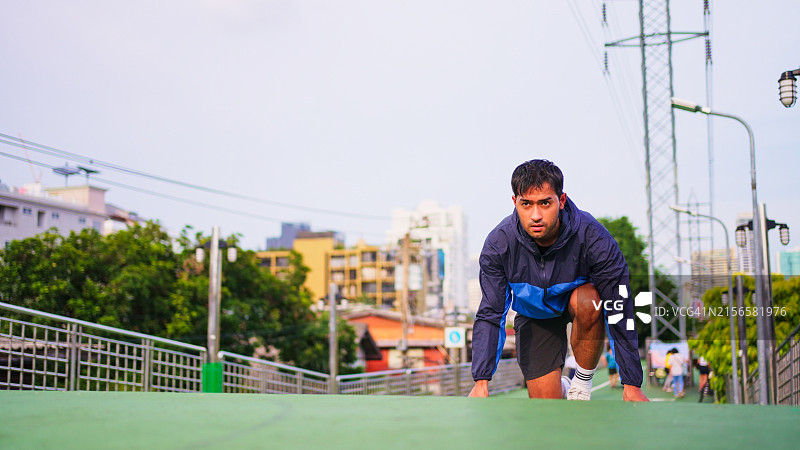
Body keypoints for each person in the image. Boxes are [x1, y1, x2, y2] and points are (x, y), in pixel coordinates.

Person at [469, 159, 648, 402]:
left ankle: (580, 384)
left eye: (545, 203)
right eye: (526, 204)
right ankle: (562, 387)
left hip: (579, 303)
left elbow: (618, 307)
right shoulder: (499, 245)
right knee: (546, 406)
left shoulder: (593, 239)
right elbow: (491, 313)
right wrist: (481, 381)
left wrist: (632, 384)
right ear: (515, 203)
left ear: (561, 201)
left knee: (589, 299)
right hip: (535, 316)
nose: (535, 215)